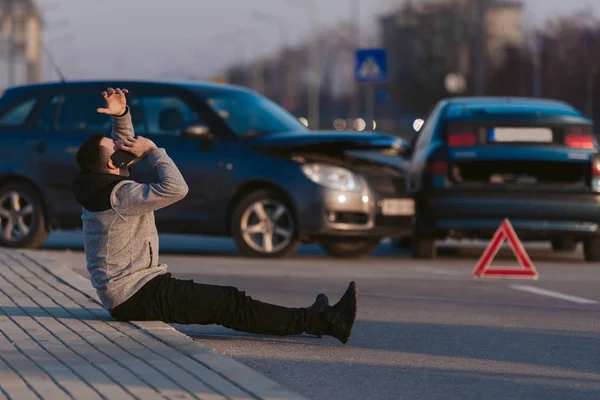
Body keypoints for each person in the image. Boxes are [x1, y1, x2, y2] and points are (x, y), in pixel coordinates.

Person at [71, 88, 358, 344]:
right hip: (136, 294)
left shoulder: (102, 186)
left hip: (133, 291)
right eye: (114, 146)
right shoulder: (121, 195)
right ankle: (322, 322)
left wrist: (121, 115)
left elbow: (124, 149)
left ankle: (315, 318)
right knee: (230, 303)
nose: (120, 145)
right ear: (112, 163)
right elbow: (176, 188)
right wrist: (156, 152)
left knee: (230, 301)